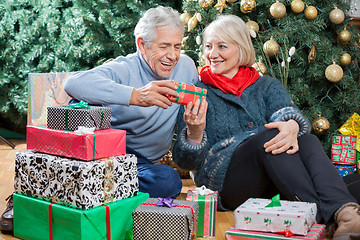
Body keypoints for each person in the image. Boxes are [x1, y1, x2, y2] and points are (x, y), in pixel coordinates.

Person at [0, 6, 199, 232]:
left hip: (138, 165)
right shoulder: (124, 67)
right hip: (99, 154)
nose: (172, 55)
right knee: (80, 106)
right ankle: (34, 195)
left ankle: (70, 192)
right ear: (142, 44)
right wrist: (135, 96)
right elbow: (74, 83)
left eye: (177, 46)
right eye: (164, 46)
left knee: (169, 181)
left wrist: (196, 129)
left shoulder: (187, 67)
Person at [172, 15, 360, 240]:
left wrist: (291, 125)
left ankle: (346, 214)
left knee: (307, 139)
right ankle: (328, 218)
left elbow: (287, 114)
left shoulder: (266, 85)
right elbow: (184, 162)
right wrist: (194, 133)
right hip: (226, 182)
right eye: (209, 46)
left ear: (241, 48)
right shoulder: (198, 92)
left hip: (273, 181)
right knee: (268, 138)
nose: (212, 54)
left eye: (222, 46)